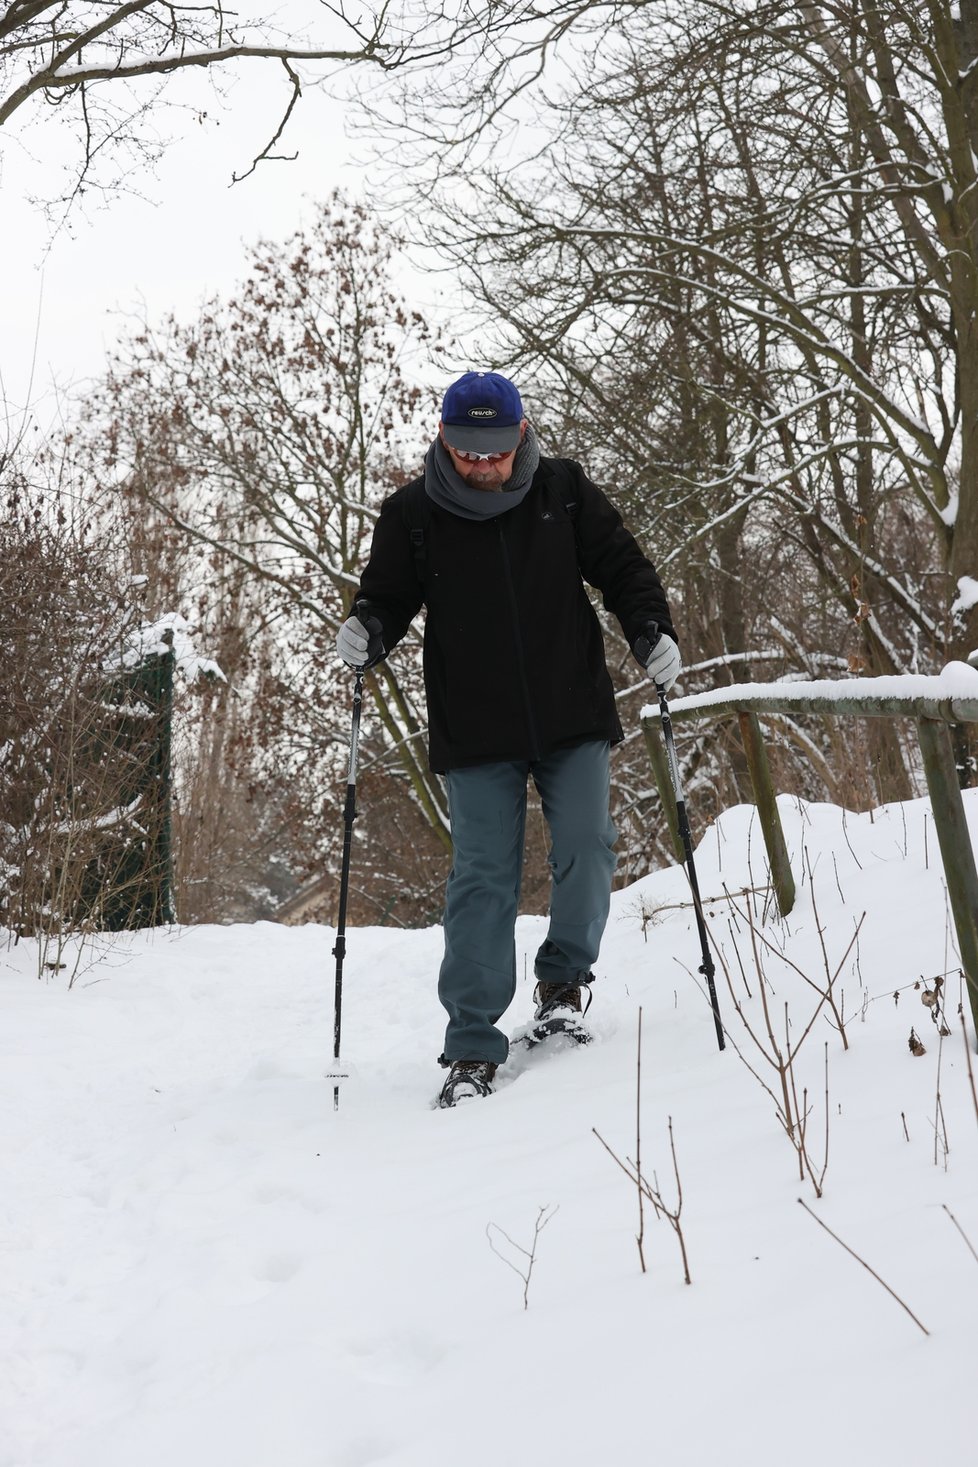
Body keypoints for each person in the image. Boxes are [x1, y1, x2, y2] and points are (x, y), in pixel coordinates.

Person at [336, 370, 680, 1108]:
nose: (483, 465)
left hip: (571, 709)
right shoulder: (413, 513)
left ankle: (562, 981)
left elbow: (623, 566)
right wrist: (367, 626)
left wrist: (650, 626)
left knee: (589, 844)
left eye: (494, 449)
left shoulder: (563, 491)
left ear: (521, 434)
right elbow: (388, 596)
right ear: (444, 440)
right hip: (477, 723)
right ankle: (470, 1047)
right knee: (483, 878)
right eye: (468, 451)